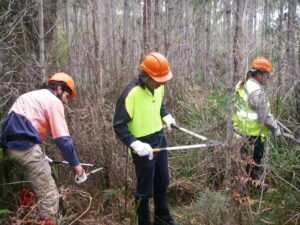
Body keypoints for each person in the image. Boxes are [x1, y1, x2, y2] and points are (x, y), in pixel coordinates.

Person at [0, 73, 87, 225]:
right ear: (59, 89)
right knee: (49, 194)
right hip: (26, 148)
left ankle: (24, 217)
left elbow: (21, 126)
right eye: (67, 95)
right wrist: (78, 167)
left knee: (31, 187)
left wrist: (38, 152)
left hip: (11, 148)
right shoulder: (54, 101)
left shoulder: (31, 96)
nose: (66, 101)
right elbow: (63, 140)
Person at [113, 52, 180, 225]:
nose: (163, 82)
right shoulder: (131, 94)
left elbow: (160, 106)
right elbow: (118, 125)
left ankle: (162, 218)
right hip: (142, 146)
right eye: (159, 79)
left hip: (159, 139)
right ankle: (143, 222)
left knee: (162, 182)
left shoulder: (159, 87)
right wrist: (135, 144)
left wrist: (166, 116)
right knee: (145, 189)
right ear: (147, 76)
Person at [232, 57, 282, 180]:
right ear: (260, 74)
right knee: (255, 164)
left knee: (242, 162)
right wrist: (276, 129)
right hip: (254, 135)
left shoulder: (241, 84)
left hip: (238, 132)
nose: (267, 78)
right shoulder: (257, 92)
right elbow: (264, 118)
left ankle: (242, 186)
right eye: (267, 75)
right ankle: (254, 187)